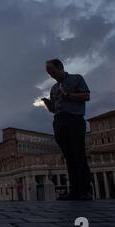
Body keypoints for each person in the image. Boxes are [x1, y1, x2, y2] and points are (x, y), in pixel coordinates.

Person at [41, 58, 92, 201]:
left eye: (51, 71)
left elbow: (86, 96)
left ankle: (85, 191)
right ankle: (74, 191)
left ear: (59, 68)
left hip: (74, 119)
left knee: (79, 155)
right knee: (68, 157)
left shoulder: (76, 79)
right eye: (48, 73)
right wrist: (47, 103)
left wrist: (68, 95)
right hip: (59, 121)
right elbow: (53, 109)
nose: (50, 75)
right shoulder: (54, 88)